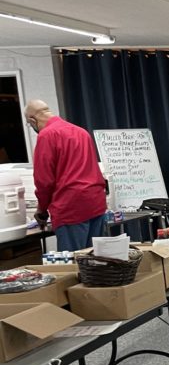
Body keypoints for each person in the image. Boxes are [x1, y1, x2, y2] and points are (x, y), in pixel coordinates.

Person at [24, 100, 108, 252]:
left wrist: (41, 210)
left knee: (72, 264)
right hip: (96, 202)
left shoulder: (46, 135)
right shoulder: (81, 132)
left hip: (71, 207)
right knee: (95, 262)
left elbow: (44, 181)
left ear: (32, 120)